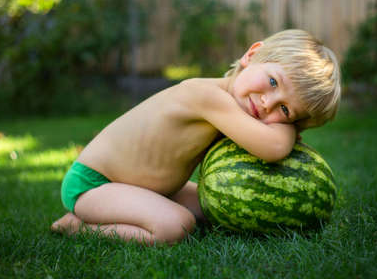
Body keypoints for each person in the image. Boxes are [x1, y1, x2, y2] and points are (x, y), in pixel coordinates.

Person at [51, 29, 341, 245]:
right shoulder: (206, 97)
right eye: (273, 82)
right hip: (96, 184)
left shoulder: (237, 111)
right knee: (176, 226)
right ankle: (78, 227)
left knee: (210, 210)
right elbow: (274, 147)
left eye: (285, 109)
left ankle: (131, 211)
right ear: (251, 55)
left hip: (145, 187)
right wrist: (289, 124)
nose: (268, 104)